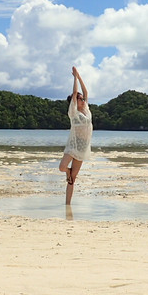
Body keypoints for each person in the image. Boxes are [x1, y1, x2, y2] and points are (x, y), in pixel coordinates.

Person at [58, 66, 92, 204]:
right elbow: (75, 92)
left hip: (83, 147)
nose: (83, 100)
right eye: (80, 99)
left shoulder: (86, 109)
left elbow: (85, 91)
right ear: (74, 101)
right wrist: (75, 78)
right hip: (73, 144)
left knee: (73, 178)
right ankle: (67, 171)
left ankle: (68, 205)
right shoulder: (73, 113)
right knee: (62, 167)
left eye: (83, 99)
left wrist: (80, 76)